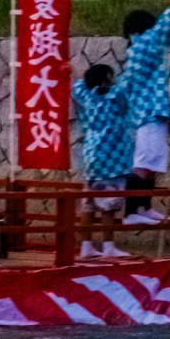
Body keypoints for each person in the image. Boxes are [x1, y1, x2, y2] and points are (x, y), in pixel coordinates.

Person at [118, 3, 170, 224]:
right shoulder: (144, 44)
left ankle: (144, 208)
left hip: (149, 114)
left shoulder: (135, 50)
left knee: (151, 164)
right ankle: (132, 211)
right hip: (149, 113)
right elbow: (166, 22)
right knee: (143, 164)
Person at [70, 61, 134, 259]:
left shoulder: (85, 96)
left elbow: (77, 86)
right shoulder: (115, 96)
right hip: (112, 159)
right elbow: (126, 95)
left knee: (88, 205)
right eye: (111, 76)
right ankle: (108, 247)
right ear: (107, 79)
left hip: (91, 158)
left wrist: (72, 71)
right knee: (109, 206)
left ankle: (86, 247)